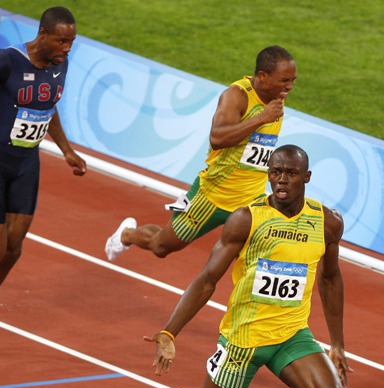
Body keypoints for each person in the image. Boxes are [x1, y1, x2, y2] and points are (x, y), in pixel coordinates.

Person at [103, 145, 352, 388]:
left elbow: (331, 278)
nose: (281, 179)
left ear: (307, 178)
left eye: (290, 173)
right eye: (275, 172)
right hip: (242, 341)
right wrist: (171, 330)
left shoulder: (326, 222)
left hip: (291, 335)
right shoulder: (246, 219)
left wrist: (336, 342)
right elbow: (206, 280)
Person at [105, 45, 297, 262]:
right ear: (263, 76)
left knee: (263, 257)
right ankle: (127, 235)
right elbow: (217, 138)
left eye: (293, 80)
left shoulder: (276, 96)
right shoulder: (237, 96)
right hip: (213, 197)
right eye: (284, 80)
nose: (289, 87)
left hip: (251, 199)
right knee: (161, 246)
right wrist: (261, 118)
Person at [0, 6, 87, 302]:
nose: (67, 49)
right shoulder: (5, 61)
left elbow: (47, 107)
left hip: (27, 166)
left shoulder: (60, 64)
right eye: (61, 41)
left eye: (71, 42)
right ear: (43, 34)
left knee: (11, 251)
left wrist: (67, 150)